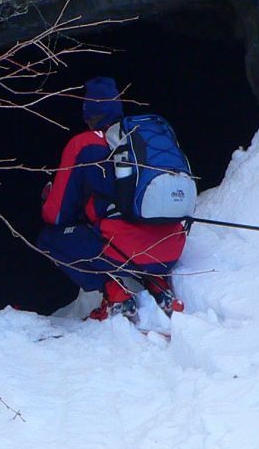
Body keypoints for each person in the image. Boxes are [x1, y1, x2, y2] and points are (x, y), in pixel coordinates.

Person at [38, 77, 188, 322]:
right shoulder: (144, 139)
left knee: (50, 238)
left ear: (88, 113)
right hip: (171, 247)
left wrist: (49, 199)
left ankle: (116, 295)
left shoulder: (84, 144)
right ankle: (158, 286)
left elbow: (56, 215)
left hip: (126, 250)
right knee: (133, 220)